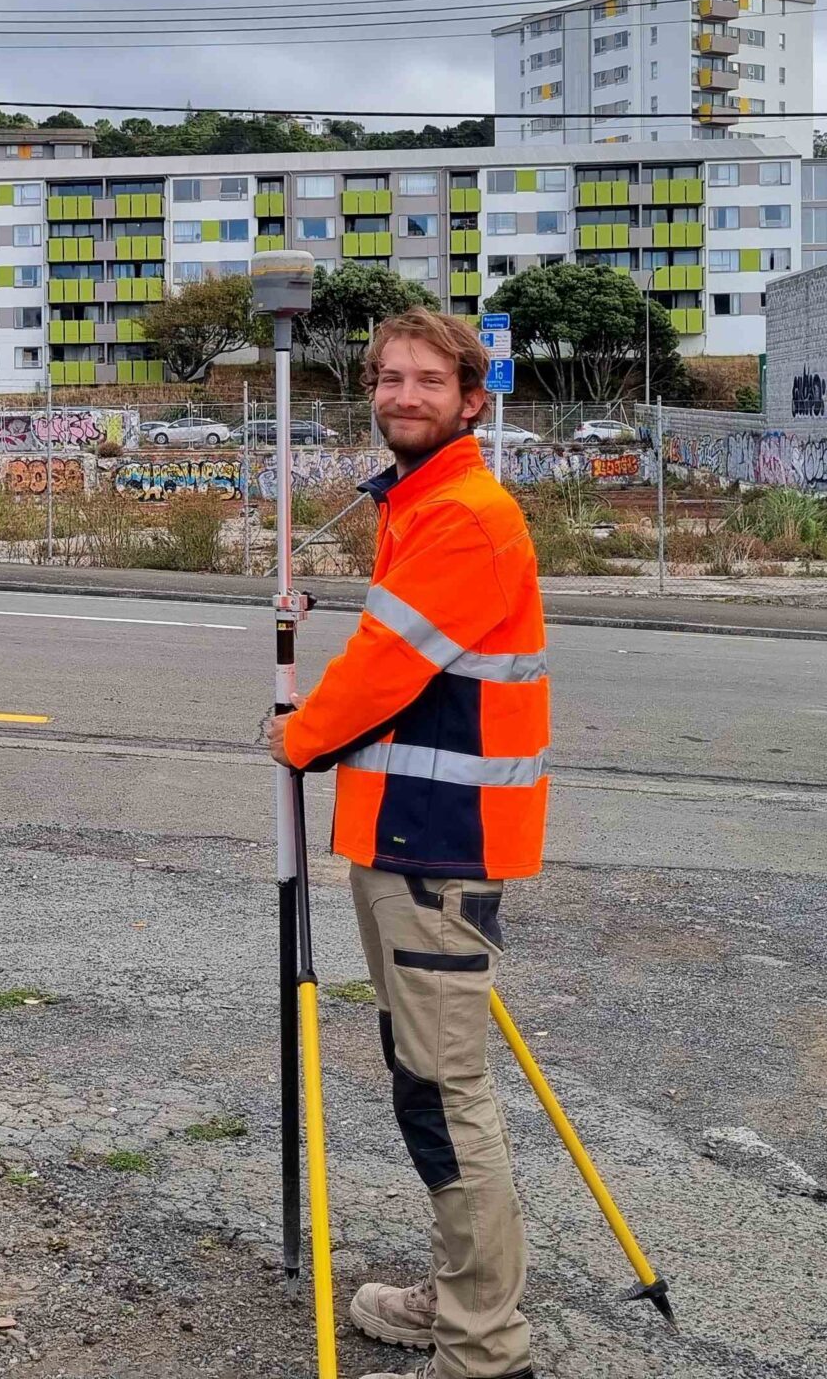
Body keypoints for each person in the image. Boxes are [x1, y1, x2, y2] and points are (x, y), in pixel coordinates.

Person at [264, 307, 548, 1379]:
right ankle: (459, 1299)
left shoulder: (465, 515)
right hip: (407, 836)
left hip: (438, 845)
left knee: (442, 1092)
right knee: (424, 1079)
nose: (403, 396)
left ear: (472, 400)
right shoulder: (421, 503)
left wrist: (300, 735)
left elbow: (388, 665)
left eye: (429, 381)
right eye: (389, 378)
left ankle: (483, 1347)